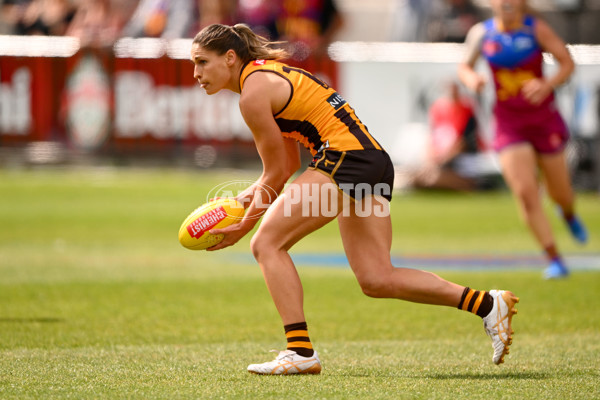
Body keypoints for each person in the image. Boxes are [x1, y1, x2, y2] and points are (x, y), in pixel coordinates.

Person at [190, 23, 519, 375]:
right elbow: (283, 167)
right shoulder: (264, 76)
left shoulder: (252, 94)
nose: (196, 73)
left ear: (229, 58)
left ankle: (299, 351)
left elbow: (276, 175)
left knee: (266, 243)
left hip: (344, 161)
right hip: (372, 162)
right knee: (377, 279)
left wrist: (244, 224)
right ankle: (487, 304)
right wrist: (250, 196)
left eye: (202, 62)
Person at [457, 0, 588, 279]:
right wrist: (472, 80)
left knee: (561, 192)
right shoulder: (482, 34)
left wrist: (547, 84)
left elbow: (566, 63)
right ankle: (555, 259)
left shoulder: (535, 30)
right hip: (508, 124)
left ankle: (567, 213)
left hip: (544, 121)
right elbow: (464, 67)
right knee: (526, 193)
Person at [409, 80, 485, 191]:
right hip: (441, 159)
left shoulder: (467, 111)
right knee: (418, 176)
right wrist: (431, 159)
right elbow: (432, 138)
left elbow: (463, 143)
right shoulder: (437, 110)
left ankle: (466, 184)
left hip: (460, 160)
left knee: (434, 178)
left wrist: (442, 160)